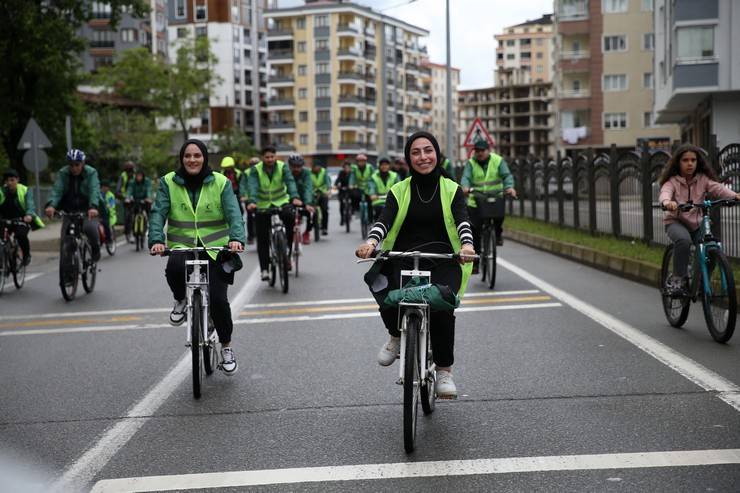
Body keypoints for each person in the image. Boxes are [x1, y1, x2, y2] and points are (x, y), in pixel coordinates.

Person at [355, 131, 476, 399]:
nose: (423, 157)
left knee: (442, 306)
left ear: (437, 153)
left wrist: (467, 246)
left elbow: (462, 221)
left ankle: (444, 371)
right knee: (380, 283)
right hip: (403, 255)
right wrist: (371, 243)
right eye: (416, 152)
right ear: (409, 158)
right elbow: (383, 221)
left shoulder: (451, 189)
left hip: (444, 259)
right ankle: (396, 336)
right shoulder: (398, 190)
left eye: (428, 150)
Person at [149, 139, 245, 375]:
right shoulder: (168, 182)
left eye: (197, 155)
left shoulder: (221, 182)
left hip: (215, 248)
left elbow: (234, 213)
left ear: (205, 158)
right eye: (188, 156)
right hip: (181, 245)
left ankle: (226, 347)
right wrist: (156, 240)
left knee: (218, 301)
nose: (192, 160)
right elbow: (158, 212)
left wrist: (236, 238)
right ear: (182, 159)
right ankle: (181, 299)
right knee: (173, 269)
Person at [658, 143, 740, 295]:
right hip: (676, 222)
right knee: (683, 241)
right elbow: (665, 192)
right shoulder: (672, 181)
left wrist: (734, 195)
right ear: (678, 162)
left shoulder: (703, 180)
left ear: (698, 162)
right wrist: (667, 203)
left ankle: (703, 282)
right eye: (685, 160)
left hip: (697, 224)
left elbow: (718, 189)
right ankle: (678, 280)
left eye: (693, 160)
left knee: (712, 247)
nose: (690, 163)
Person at [245, 146, 302, 281]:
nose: (270, 159)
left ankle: (286, 251)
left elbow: (290, 182)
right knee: (263, 237)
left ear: (275, 156)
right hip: (262, 206)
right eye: (267, 157)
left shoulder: (283, 167)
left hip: (281, 202)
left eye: (272, 156)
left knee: (290, 218)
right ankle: (264, 269)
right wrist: (252, 201)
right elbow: (252, 186)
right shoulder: (255, 170)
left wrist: (294, 196)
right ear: (262, 158)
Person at [461, 140, 516, 272]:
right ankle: (475, 262)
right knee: (475, 231)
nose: (479, 153)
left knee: (499, 216)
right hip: (476, 201)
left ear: (488, 150)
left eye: (482, 150)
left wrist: (509, 188)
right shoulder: (471, 163)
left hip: (495, 198)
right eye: (477, 151)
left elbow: (506, 176)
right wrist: (465, 187)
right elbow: (465, 177)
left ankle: (497, 235)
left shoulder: (498, 161)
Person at [45, 149, 102, 262]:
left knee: (89, 228)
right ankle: (66, 277)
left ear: (83, 163)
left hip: (88, 210)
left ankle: (96, 250)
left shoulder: (91, 173)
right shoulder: (63, 173)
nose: (74, 168)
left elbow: (94, 190)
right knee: (65, 240)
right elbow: (57, 190)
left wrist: (93, 207)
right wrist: (52, 205)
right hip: (69, 210)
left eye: (77, 164)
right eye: (71, 165)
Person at [0, 169, 44, 266]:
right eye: (7, 181)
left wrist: (28, 215)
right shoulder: (1, 191)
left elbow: (30, 205)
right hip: (5, 220)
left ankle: (26, 255)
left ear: (17, 180)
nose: (9, 183)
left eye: (12, 180)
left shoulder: (25, 190)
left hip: (21, 219)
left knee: (20, 235)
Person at [287, 154, 316, 244]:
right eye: (293, 166)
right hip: (289, 199)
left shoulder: (306, 173)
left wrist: (307, 203)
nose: (296, 169)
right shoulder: (286, 173)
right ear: (290, 166)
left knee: (313, 214)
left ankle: (307, 232)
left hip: (304, 200)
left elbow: (308, 188)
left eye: (298, 166)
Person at [239, 157, 260, 245]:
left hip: (260, 198)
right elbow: (243, 184)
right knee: (250, 217)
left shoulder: (262, 171)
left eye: (256, 164)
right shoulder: (247, 172)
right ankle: (250, 237)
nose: (254, 166)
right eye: (253, 164)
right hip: (249, 198)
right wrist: (243, 195)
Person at [310, 160, 332, 236]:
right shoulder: (309, 173)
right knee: (311, 210)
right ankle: (312, 224)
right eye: (315, 167)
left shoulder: (323, 172)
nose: (317, 168)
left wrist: (328, 190)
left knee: (325, 209)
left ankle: (324, 228)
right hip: (313, 193)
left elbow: (327, 182)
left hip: (323, 193)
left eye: (318, 167)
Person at [117, 161, 136, 242]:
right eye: (129, 170)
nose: (130, 172)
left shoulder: (135, 176)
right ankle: (128, 233)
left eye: (131, 170)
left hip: (135, 198)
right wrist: (123, 196)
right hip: (126, 199)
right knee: (128, 217)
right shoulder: (123, 176)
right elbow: (118, 189)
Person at [99, 180, 117, 248]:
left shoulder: (110, 195)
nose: (105, 188)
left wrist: (109, 206)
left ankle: (109, 240)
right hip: (100, 213)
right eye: (103, 187)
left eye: (106, 187)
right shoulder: (99, 194)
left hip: (109, 214)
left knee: (106, 224)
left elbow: (112, 204)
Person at [335, 160, 353, 225]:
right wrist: (337, 184)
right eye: (345, 167)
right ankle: (342, 218)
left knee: (353, 198)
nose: (347, 169)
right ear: (343, 168)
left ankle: (352, 211)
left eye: (348, 167)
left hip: (350, 189)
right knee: (342, 203)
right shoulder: (341, 173)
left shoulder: (352, 173)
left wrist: (353, 186)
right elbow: (337, 180)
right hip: (342, 189)